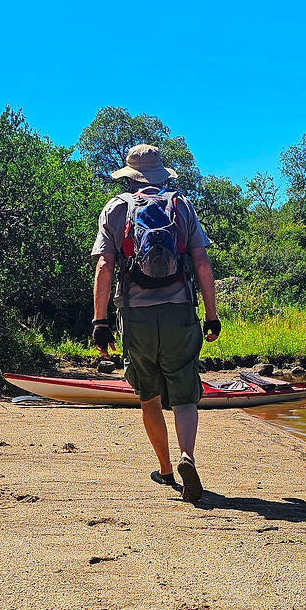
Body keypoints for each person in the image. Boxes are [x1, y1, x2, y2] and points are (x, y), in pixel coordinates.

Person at [90, 144, 220, 503]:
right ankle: (187, 456)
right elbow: (202, 263)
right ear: (161, 175)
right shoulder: (181, 205)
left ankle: (165, 469)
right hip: (179, 311)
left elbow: (104, 266)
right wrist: (211, 316)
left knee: (148, 394)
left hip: (136, 315)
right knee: (185, 392)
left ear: (130, 177)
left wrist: (100, 321)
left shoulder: (115, 208)